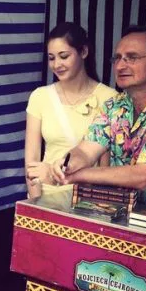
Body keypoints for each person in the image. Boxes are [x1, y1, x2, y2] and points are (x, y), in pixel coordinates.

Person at [47, 25, 146, 212]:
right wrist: (67, 165)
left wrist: (77, 176)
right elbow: (86, 151)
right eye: (117, 58)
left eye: (132, 58)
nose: (120, 66)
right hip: (127, 215)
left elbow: (142, 175)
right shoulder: (114, 106)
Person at [24, 23, 117, 199]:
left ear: (84, 52)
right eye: (51, 58)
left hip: (88, 198)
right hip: (46, 193)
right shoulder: (39, 96)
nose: (57, 64)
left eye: (64, 56)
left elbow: (106, 166)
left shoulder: (110, 98)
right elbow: (32, 160)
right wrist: (36, 202)